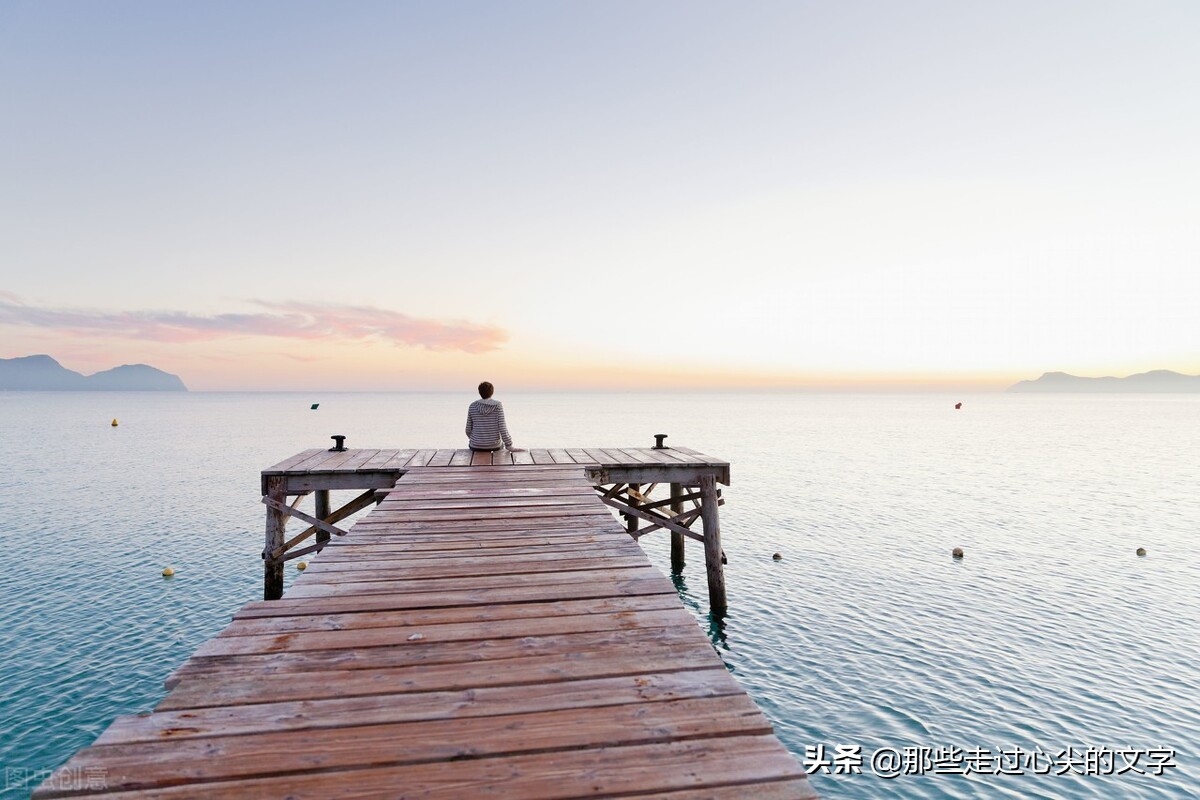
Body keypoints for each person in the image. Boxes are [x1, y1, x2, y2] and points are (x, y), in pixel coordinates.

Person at [465, 381, 518, 452]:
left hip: (475, 446)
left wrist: (477, 440)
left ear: (479, 392)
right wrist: (509, 445)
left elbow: (468, 430)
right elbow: (502, 428)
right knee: (500, 446)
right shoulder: (497, 405)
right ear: (492, 392)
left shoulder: (472, 406)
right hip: (494, 446)